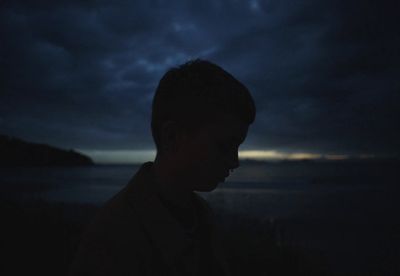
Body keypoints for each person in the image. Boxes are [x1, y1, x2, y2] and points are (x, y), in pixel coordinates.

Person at [69, 59, 256, 276]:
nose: (235, 161)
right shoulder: (114, 236)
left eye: (237, 147)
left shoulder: (201, 215)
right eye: (224, 146)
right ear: (172, 137)